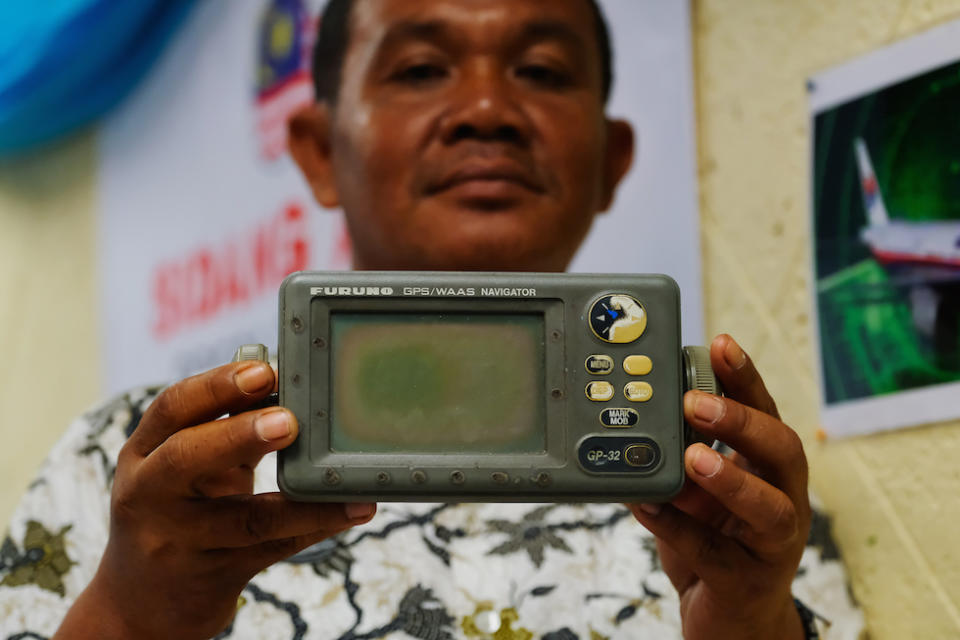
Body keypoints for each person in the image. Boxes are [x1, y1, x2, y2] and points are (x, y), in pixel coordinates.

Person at [0, 0, 860, 638]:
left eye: (543, 72)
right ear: (316, 150)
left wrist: (747, 623)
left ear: (612, 159)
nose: (487, 109)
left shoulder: (727, 494)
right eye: (418, 69)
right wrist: (130, 613)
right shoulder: (134, 472)